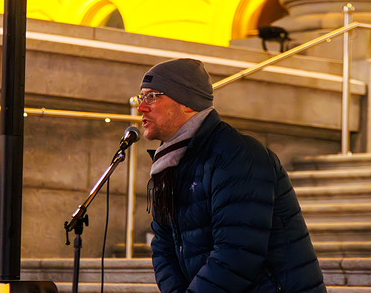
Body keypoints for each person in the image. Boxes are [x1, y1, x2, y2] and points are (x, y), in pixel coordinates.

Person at [136, 58, 326, 292]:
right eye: (141, 97)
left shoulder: (238, 155)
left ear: (187, 103)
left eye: (152, 97)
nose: (141, 108)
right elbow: (163, 245)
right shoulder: (170, 164)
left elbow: (237, 253)